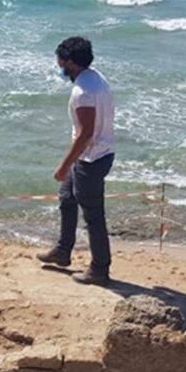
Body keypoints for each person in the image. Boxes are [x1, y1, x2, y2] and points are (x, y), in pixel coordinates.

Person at [37, 36, 117, 286]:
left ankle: (99, 269)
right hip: (95, 153)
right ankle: (63, 250)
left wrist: (63, 166)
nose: (58, 66)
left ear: (70, 63)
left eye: (60, 61)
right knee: (67, 198)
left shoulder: (83, 93)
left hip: (91, 159)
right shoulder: (96, 78)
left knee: (93, 215)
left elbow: (85, 134)